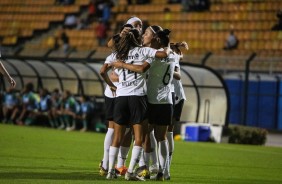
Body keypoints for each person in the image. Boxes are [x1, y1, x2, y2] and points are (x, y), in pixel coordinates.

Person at [101, 28, 170, 181]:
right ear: (138, 39)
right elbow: (162, 55)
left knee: (116, 137)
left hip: (120, 98)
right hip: (137, 98)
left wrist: (112, 84)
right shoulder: (144, 51)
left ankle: (110, 171)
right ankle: (130, 171)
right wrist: (169, 44)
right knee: (139, 137)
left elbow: (104, 71)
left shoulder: (118, 55)